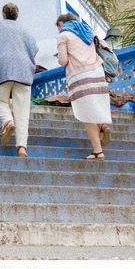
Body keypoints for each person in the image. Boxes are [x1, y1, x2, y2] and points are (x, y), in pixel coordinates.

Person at [0, 1, 41, 157]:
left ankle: (7, 121)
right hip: (24, 72)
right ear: (17, 15)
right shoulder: (25, 30)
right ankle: (22, 147)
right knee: (22, 111)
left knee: (0, 101)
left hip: (2, 70)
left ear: (3, 14)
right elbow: (34, 48)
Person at [56, 13, 112, 160]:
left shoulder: (64, 35)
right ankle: (102, 125)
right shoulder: (88, 31)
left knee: (86, 114)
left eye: (58, 26)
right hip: (97, 73)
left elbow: (62, 60)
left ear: (62, 23)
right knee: (96, 106)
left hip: (80, 77)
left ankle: (98, 151)